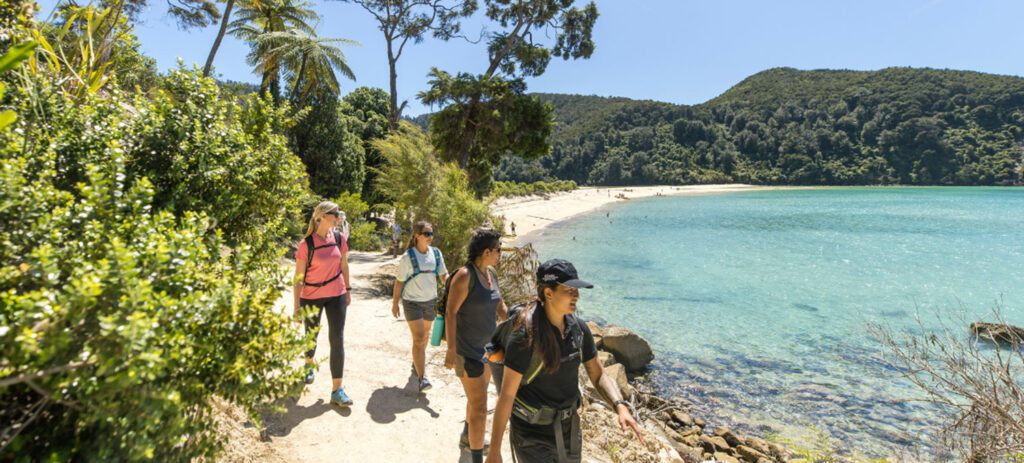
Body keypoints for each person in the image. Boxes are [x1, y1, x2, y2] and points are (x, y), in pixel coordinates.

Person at [486, 259, 645, 463]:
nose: (576, 296)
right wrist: (494, 451)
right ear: (548, 293)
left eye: (577, 290)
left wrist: (620, 405)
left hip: (570, 430)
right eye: (569, 290)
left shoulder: (579, 329)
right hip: (531, 434)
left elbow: (598, 374)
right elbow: (507, 395)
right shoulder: (525, 336)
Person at [445, 229, 508, 462]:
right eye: (498, 250)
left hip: (489, 351)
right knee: (481, 406)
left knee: (475, 400)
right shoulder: (465, 275)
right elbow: (451, 313)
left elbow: (501, 307)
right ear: (487, 251)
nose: (500, 254)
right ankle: (476, 458)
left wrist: (520, 326)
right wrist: (451, 349)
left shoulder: (491, 274)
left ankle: (466, 435)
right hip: (467, 352)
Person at [294, 201, 353, 407]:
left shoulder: (339, 238)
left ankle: (337, 390)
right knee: (311, 335)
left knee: (337, 338)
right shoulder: (306, 244)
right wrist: (296, 307)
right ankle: (309, 363)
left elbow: (343, 265)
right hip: (311, 296)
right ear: (322, 216)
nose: (339, 216)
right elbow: (298, 278)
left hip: (336, 293)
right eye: (335, 213)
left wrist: (347, 289)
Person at [392, 221, 449, 392]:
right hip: (412, 303)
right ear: (417, 236)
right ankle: (423, 378)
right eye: (427, 234)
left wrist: (454, 284)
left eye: (432, 233)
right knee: (418, 338)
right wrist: (395, 303)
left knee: (424, 338)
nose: (430, 237)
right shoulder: (407, 257)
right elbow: (399, 282)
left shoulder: (436, 254)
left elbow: (443, 275)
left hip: (430, 302)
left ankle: (417, 361)